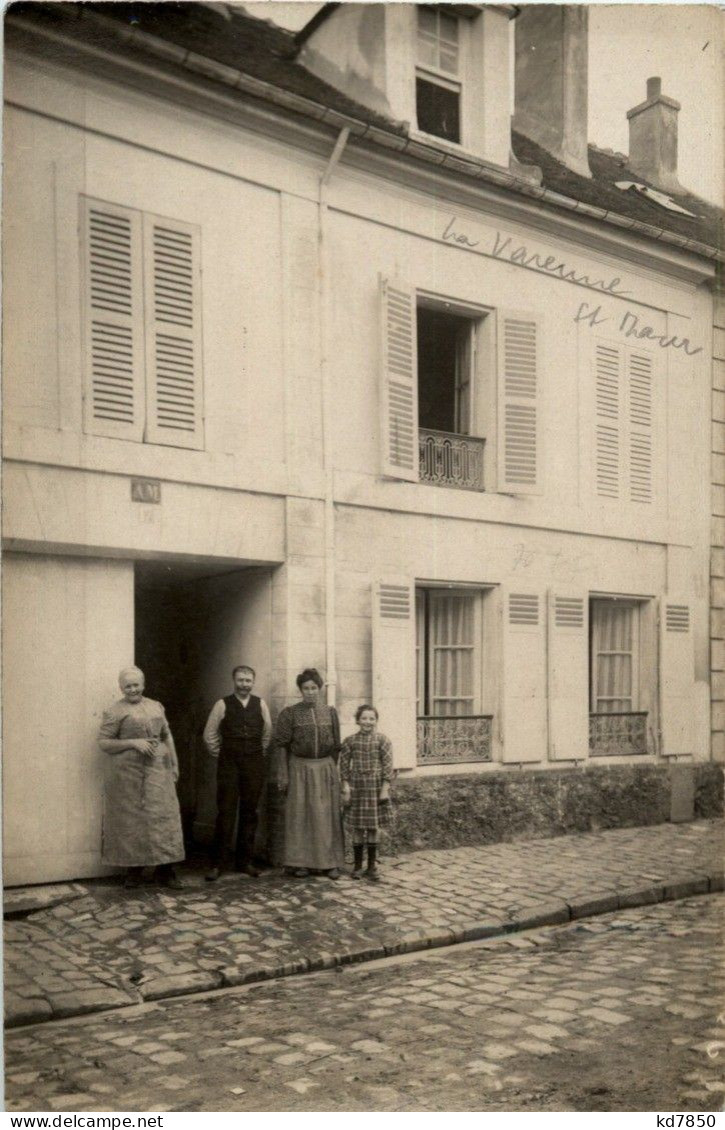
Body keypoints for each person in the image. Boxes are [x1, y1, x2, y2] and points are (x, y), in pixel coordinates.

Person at [98, 667, 185, 889]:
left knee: (163, 816)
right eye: (128, 686)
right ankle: (133, 872)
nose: (133, 689)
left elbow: (167, 735)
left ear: (143, 685)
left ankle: (166, 871)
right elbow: (104, 743)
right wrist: (133, 742)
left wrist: (174, 763)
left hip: (158, 769)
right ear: (121, 688)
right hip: (128, 773)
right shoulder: (115, 711)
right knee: (132, 821)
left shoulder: (155, 706)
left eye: (136, 685)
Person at [203, 665, 272, 881]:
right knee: (226, 811)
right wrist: (223, 754)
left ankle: (245, 862)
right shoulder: (222, 704)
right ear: (234, 681)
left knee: (250, 812)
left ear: (253, 682)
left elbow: (267, 733)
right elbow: (210, 735)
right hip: (229, 763)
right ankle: (218, 864)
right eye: (241, 680)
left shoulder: (260, 704)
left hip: (254, 762)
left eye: (248, 680)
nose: (244, 684)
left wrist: (256, 752)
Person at [274, 668, 344, 879]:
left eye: (314, 688)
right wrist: (283, 774)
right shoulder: (290, 713)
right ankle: (300, 863)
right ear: (300, 690)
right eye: (306, 688)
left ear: (320, 689)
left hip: (324, 768)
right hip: (299, 768)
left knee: (325, 815)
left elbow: (336, 745)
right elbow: (281, 746)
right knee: (301, 815)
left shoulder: (330, 712)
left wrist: (332, 769)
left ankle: (328, 863)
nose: (311, 692)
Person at [339, 705, 394, 882]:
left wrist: (385, 788)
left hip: (375, 787)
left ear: (376, 721)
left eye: (371, 718)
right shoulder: (349, 741)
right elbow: (344, 767)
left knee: (372, 827)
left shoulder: (383, 740)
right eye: (364, 718)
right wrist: (346, 787)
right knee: (357, 827)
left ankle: (371, 866)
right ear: (358, 720)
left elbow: (387, 766)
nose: (367, 722)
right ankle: (357, 866)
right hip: (357, 787)